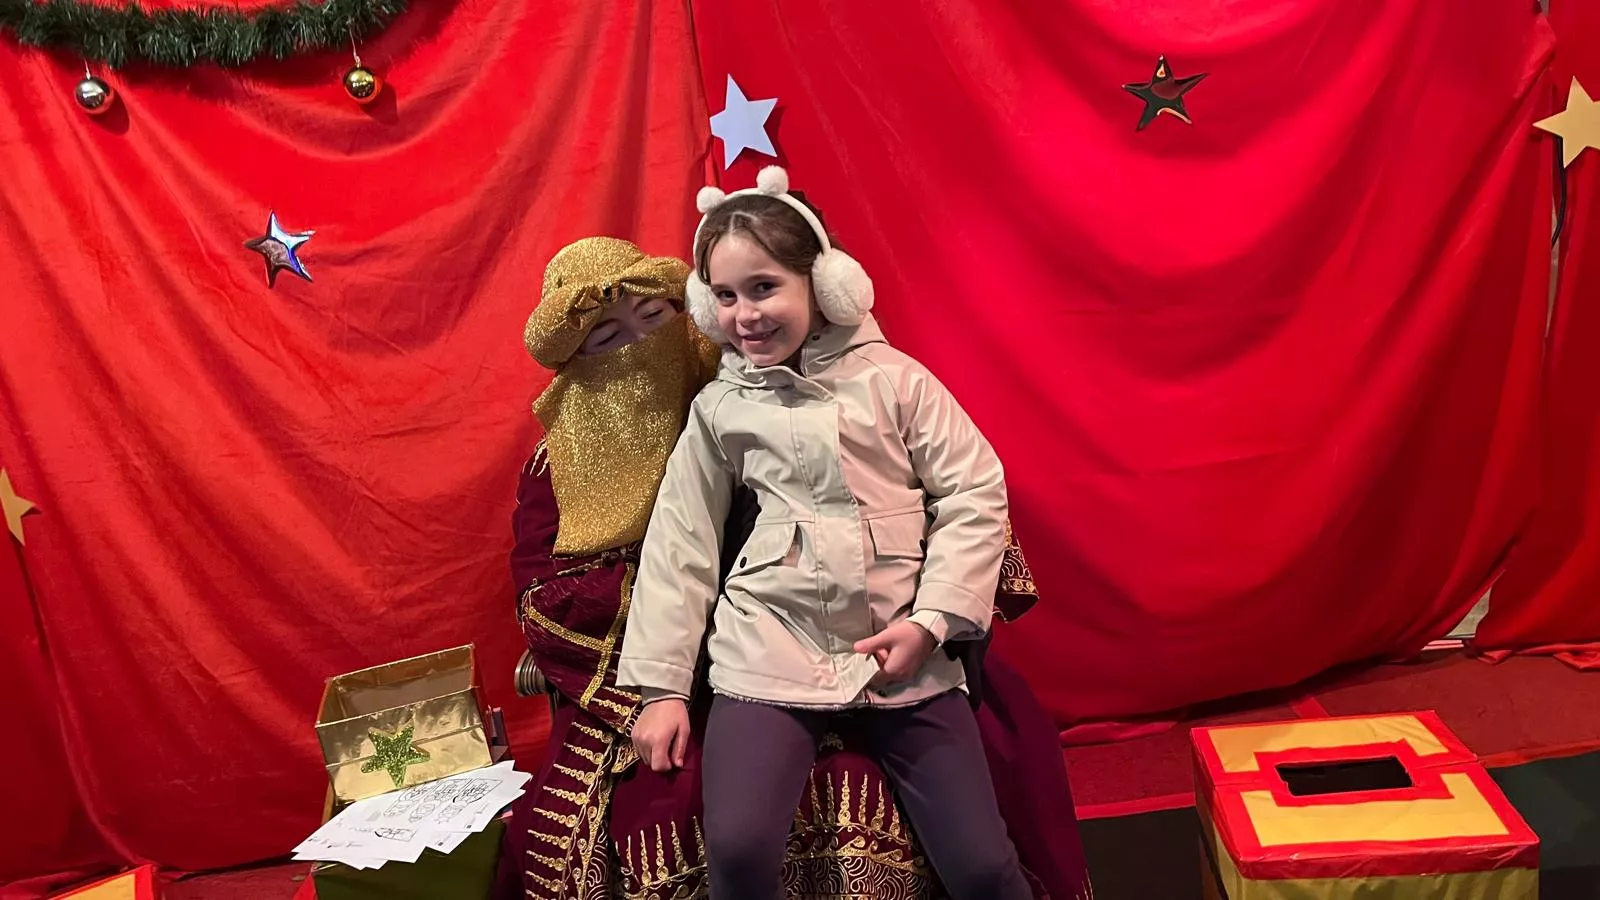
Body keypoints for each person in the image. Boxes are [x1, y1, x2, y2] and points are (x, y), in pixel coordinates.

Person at [500, 233, 1092, 900]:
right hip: (704, 667)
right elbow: (571, 588)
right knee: (706, 828)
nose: (639, 346)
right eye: (606, 337)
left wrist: (928, 614)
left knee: (991, 821)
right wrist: (684, 659)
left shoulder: (799, 391)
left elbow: (958, 496)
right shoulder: (564, 468)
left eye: (654, 318)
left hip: (882, 636)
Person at [618, 167, 1046, 900]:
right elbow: (680, 542)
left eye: (764, 287)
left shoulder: (897, 382)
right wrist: (661, 689)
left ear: (827, 284)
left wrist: (932, 621)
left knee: (981, 867)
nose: (744, 314)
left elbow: (974, 491)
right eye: (724, 296)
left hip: (901, 654)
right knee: (742, 850)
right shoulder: (721, 408)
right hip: (767, 650)